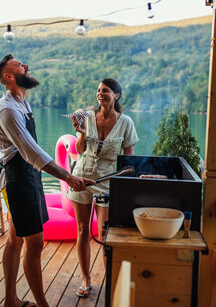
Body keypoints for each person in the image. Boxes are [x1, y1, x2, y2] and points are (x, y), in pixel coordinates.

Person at [0, 54, 94, 307]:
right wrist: (68, 177)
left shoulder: (22, 103)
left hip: (29, 174)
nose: (25, 66)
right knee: (34, 243)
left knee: (15, 238)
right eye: (19, 65)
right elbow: (31, 151)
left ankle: (10, 301)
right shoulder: (7, 109)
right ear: (9, 77)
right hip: (16, 178)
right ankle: (42, 304)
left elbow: (32, 154)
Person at [66, 78, 139, 298]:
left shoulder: (126, 122)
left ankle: (110, 280)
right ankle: (86, 279)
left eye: (105, 91)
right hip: (81, 177)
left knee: (105, 233)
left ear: (116, 95)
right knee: (82, 231)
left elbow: (129, 160)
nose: (100, 93)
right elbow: (79, 150)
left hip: (107, 182)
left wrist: (126, 188)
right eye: (98, 90)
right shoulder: (87, 117)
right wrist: (80, 132)